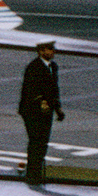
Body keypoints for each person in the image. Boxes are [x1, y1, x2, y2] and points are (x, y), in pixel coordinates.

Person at [17, 41, 62, 183]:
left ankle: (36, 172)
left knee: (43, 142)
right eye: (49, 49)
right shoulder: (34, 67)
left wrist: (58, 109)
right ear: (41, 51)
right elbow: (30, 89)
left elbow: (54, 90)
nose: (52, 52)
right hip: (32, 110)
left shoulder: (53, 67)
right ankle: (32, 174)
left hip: (46, 111)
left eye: (53, 49)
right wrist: (41, 102)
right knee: (36, 141)